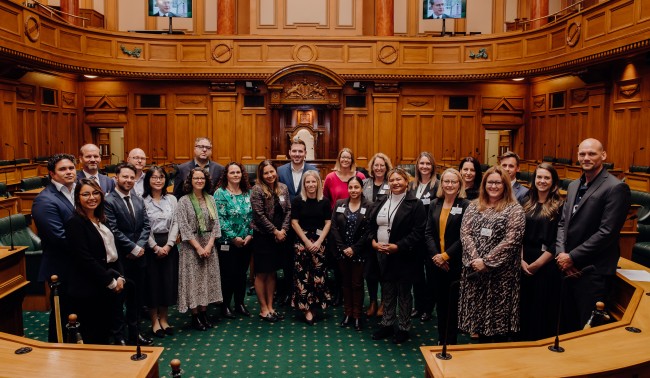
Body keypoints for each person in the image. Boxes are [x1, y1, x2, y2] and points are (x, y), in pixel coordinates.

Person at [555, 138, 630, 333]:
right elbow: (563, 223)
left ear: (603, 156)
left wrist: (572, 257)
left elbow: (607, 233)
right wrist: (562, 255)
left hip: (592, 272)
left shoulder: (615, 187)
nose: (586, 158)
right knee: (566, 325)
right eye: (582, 154)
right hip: (567, 268)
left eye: (592, 154)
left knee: (587, 330)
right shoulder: (573, 186)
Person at [458, 166, 525, 342]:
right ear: (484, 184)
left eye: (498, 182)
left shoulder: (514, 209)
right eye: (490, 182)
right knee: (477, 319)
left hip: (500, 274)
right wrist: (475, 259)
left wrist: (487, 262)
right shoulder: (474, 206)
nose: (493, 186)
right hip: (475, 270)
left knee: (496, 324)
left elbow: (512, 240)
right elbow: (465, 233)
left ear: (505, 185)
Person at [369, 168, 426, 344]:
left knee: (403, 292)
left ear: (406, 182)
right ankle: (387, 323)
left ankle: (403, 327)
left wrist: (398, 246)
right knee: (387, 289)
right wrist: (373, 241)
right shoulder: (381, 200)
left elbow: (418, 232)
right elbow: (371, 225)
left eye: (399, 179)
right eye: (392, 180)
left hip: (404, 255)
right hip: (381, 253)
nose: (395, 183)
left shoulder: (415, 204)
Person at [65, 178, 124, 344]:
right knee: (94, 335)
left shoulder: (101, 219)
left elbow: (113, 251)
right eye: (86, 194)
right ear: (78, 198)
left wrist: (120, 276)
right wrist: (110, 281)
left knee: (105, 331)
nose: (92, 198)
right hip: (89, 288)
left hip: (107, 282)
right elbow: (84, 259)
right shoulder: (75, 222)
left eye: (95, 193)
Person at [104, 162, 153, 346]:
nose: (129, 180)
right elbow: (113, 230)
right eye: (125, 176)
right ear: (116, 178)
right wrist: (132, 248)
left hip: (139, 258)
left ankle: (135, 333)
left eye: (132, 177)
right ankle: (119, 336)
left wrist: (140, 247)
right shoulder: (108, 201)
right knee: (118, 300)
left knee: (136, 299)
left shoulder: (138, 198)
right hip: (121, 259)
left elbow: (146, 225)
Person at [32, 154, 77, 342]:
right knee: (61, 317)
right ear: (52, 173)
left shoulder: (78, 190)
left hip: (78, 266)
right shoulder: (45, 200)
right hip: (61, 268)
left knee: (78, 313)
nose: (68, 172)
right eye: (62, 169)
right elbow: (59, 238)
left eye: (71, 168)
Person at [424, 168, 469, 345]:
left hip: (454, 263)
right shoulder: (435, 203)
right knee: (441, 305)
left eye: (453, 182)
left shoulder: (465, 205)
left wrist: (445, 256)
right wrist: (436, 256)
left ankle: (451, 341)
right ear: (441, 184)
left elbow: (465, 236)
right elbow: (428, 233)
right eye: (446, 182)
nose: (449, 185)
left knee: (452, 305)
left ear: (459, 185)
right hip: (436, 263)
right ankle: (441, 339)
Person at [519, 163, 563, 341]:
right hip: (523, 258)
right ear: (534, 179)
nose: (542, 181)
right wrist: (521, 259)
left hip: (546, 262)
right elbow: (518, 234)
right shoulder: (525, 202)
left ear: (553, 182)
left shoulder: (559, 206)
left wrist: (539, 263)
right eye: (539, 177)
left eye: (546, 178)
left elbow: (558, 241)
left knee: (541, 304)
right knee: (524, 303)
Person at [175, 168, 223, 330]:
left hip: (209, 244)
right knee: (193, 281)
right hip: (191, 247)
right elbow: (184, 227)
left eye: (202, 178)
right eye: (196, 178)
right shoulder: (183, 201)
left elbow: (216, 224)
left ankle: (204, 312)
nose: (199, 181)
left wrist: (208, 245)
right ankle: (195, 315)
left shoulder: (211, 199)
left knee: (207, 280)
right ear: (190, 180)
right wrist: (198, 248)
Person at [276, 138, 318, 306]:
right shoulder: (280, 170)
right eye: (294, 151)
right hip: (285, 222)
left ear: (305, 153)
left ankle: (306, 292)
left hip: (306, 222)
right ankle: (287, 291)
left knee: (306, 259)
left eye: (301, 151)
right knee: (287, 258)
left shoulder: (313, 170)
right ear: (289, 153)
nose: (297, 154)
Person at [323, 148, 365, 307]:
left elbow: (364, 199)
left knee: (355, 263)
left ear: (352, 159)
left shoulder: (359, 176)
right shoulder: (330, 177)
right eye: (343, 157)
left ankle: (354, 296)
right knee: (336, 260)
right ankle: (339, 293)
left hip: (356, 225)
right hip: (337, 226)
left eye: (348, 157)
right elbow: (326, 201)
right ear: (339, 159)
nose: (345, 160)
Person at [329, 176, 372, 331]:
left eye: (356, 187)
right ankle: (347, 313)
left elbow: (369, 232)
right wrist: (342, 248)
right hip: (342, 252)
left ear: (361, 188)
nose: (353, 190)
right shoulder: (340, 204)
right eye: (351, 188)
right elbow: (334, 227)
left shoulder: (369, 206)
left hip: (359, 252)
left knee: (357, 284)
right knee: (345, 283)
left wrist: (354, 248)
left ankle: (357, 315)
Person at [250, 160, 291, 323]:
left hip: (279, 237)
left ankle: (271, 307)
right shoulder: (257, 189)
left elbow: (288, 210)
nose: (269, 175)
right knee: (262, 273)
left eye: (271, 171)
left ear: (276, 171)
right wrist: (275, 231)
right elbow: (258, 215)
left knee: (272, 272)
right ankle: (263, 308)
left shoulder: (283, 188)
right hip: (263, 237)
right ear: (261, 174)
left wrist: (283, 231)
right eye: (266, 173)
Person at [290, 170, 332, 325]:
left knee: (318, 277)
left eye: (313, 181)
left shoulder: (325, 201)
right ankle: (305, 309)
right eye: (307, 182)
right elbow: (294, 222)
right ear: (304, 184)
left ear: (318, 183)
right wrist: (307, 242)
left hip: (320, 243)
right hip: (302, 242)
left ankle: (314, 306)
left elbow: (328, 222)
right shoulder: (297, 200)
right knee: (303, 277)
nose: (311, 185)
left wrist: (319, 241)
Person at [214, 162, 254, 319]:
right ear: (226, 175)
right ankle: (225, 306)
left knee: (242, 274)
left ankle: (240, 304)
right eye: (232, 172)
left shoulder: (247, 192)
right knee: (228, 274)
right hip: (227, 242)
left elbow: (252, 216)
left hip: (246, 241)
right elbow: (220, 219)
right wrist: (233, 237)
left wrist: (250, 234)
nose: (236, 175)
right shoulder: (220, 193)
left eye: (238, 172)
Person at [142, 166, 179, 338]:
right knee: (152, 284)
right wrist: (155, 247)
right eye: (154, 177)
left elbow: (176, 223)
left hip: (169, 245)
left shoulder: (171, 199)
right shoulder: (141, 200)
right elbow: (144, 227)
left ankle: (164, 318)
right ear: (148, 180)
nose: (158, 180)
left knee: (167, 283)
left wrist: (169, 245)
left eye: (161, 177)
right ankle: (154, 321)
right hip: (150, 246)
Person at [361, 152, 392, 317]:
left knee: (385, 270)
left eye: (382, 165)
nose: (379, 168)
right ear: (371, 167)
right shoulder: (365, 183)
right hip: (367, 232)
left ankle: (385, 302)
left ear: (386, 167)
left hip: (385, 232)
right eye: (376, 165)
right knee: (370, 269)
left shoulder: (391, 183)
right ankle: (373, 301)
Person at [409, 152, 439, 322]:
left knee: (431, 274)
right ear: (417, 166)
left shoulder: (437, 186)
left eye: (428, 163)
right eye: (422, 163)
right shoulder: (412, 186)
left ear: (432, 166)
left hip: (430, 236)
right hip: (415, 237)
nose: (425, 167)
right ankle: (418, 305)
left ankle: (428, 308)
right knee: (417, 274)